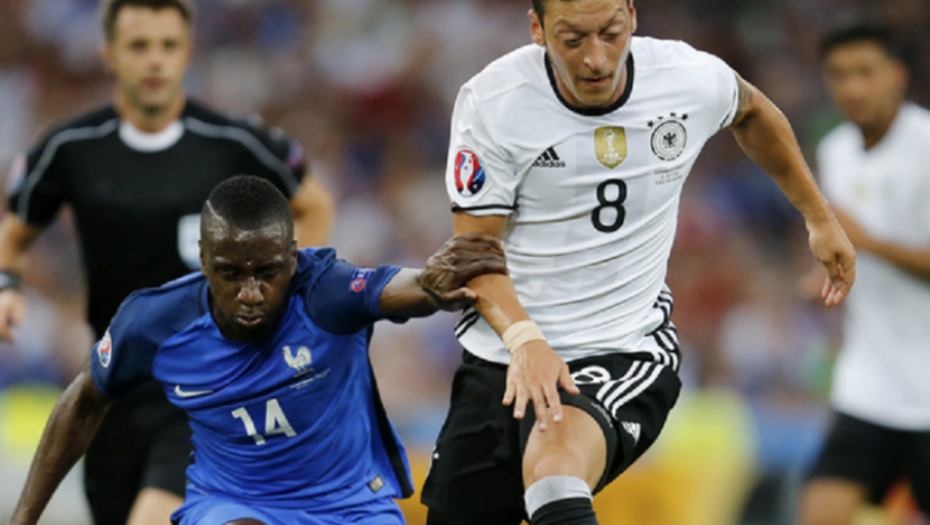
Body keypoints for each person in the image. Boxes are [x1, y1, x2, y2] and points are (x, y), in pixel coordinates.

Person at [420, 1, 857, 524]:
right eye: (573, 39)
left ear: (631, 15)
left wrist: (818, 217)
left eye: (610, 33)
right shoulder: (495, 101)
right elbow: (474, 254)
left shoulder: (684, 77)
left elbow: (751, 109)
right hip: (504, 357)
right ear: (537, 29)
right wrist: (524, 340)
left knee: (555, 471)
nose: (596, 59)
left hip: (620, 348)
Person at [0, 1, 334, 524]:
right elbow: (16, 231)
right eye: (139, 46)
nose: (155, 59)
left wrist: (286, 295)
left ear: (187, 53)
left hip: (207, 384)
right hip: (112, 386)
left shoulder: (234, 141)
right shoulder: (70, 148)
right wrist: (7, 284)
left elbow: (314, 204)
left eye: (168, 45)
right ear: (110, 55)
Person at [10, 175, 508, 525]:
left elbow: (406, 288)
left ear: (292, 258)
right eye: (231, 273)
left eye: (268, 273)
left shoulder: (326, 294)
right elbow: (82, 402)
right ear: (203, 260)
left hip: (350, 507)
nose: (251, 294)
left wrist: (432, 283)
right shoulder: (154, 323)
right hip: (232, 505)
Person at [799, 21, 930, 525]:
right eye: (839, 74)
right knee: (819, 515)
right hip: (869, 388)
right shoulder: (834, 151)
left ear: (897, 74)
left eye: (865, 72)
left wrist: (867, 241)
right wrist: (824, 278)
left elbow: (862, 240)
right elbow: (847, 250)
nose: (852, 87)